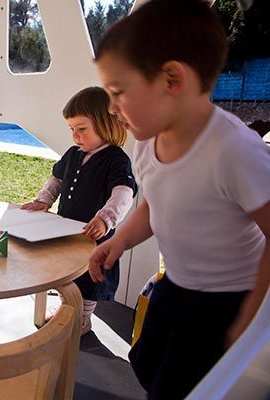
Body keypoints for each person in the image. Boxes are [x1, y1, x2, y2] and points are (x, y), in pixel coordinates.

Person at [91, 0, 270, 398]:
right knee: (150, 363)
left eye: (118, 92)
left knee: (183, 386)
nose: (112, 108)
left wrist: (253, 317)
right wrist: (119, 241)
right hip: (178, 284)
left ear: (172, 79)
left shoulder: (233, 151)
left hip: (226, 302)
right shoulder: (146, 140)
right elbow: (157, 204)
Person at [21, 86, 137, 334]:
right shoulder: (74, 153)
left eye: (81, 129)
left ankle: (82, 320)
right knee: (66, 272)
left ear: (106, 124)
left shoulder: (116, 159)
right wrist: (44, 200)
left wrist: (106, 219)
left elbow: (123, 193)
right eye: (72, 129)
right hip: (67, 231)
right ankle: (65, 307)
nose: (75, 136)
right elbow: (57, 180)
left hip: (93, 237)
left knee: (88, 281)